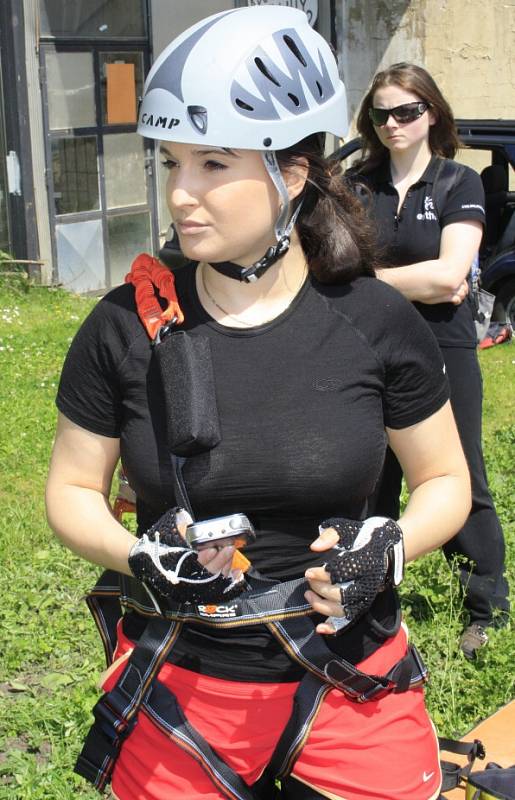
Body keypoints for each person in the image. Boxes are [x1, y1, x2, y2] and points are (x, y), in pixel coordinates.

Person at [46, 10, 471, 800]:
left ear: (293, 173)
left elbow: (444, 480)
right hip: (184, 680)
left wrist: (390, 548)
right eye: (171, 162)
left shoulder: (372, 321)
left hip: (349, 675)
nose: (180, 192)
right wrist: (137, 557)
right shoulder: (123, 325)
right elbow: (71, 492)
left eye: (212, 163)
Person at [350, 62, 509, 660]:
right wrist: (402, 282)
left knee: (458, 473)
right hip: (366, 347)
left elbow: (449, 278)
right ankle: (365, 598)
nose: (393, 123)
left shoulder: (457, 183)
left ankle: (486, 606)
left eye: (406, 112)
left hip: (442, 348)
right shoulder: (358, 185)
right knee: (369, 476)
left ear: (431, 113)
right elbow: (326, 270)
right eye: (381, 114)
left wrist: (367, 278)